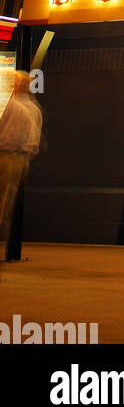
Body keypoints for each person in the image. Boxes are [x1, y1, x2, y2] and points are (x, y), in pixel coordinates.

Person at [0, 72, 43, 263]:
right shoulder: (34, 109)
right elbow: (35, 141)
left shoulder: (9, 105)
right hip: (21, 160)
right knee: (7, 204)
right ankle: (7, 248)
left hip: (4, 156)